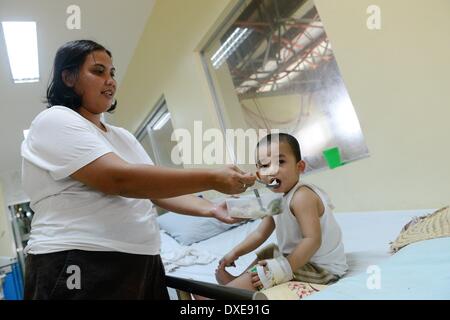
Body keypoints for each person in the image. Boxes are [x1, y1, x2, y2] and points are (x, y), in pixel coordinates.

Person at [21, 39, 255, 300]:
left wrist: (210, 208)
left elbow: (153, 191)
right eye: (98, 72)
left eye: (112, 73)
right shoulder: (55, 120)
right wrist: (211, 178)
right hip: (79, 259)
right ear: (68, 77)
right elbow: (117, 179)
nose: (110, 81)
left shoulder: (122, 137)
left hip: (142, 262)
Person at [215, 133, 348, 292]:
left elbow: (312, 240)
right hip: (300, 260)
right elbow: (259, 234)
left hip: (321, 269)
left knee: (266, 272)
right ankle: (239, 282)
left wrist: (281, 268)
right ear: (259, 175)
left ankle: (232, 292)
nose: (272, 170)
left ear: (299, 167)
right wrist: (235, 252)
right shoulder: (275, 200)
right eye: (264, 165)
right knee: (270, 252)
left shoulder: (302, 196)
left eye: (280, 162)